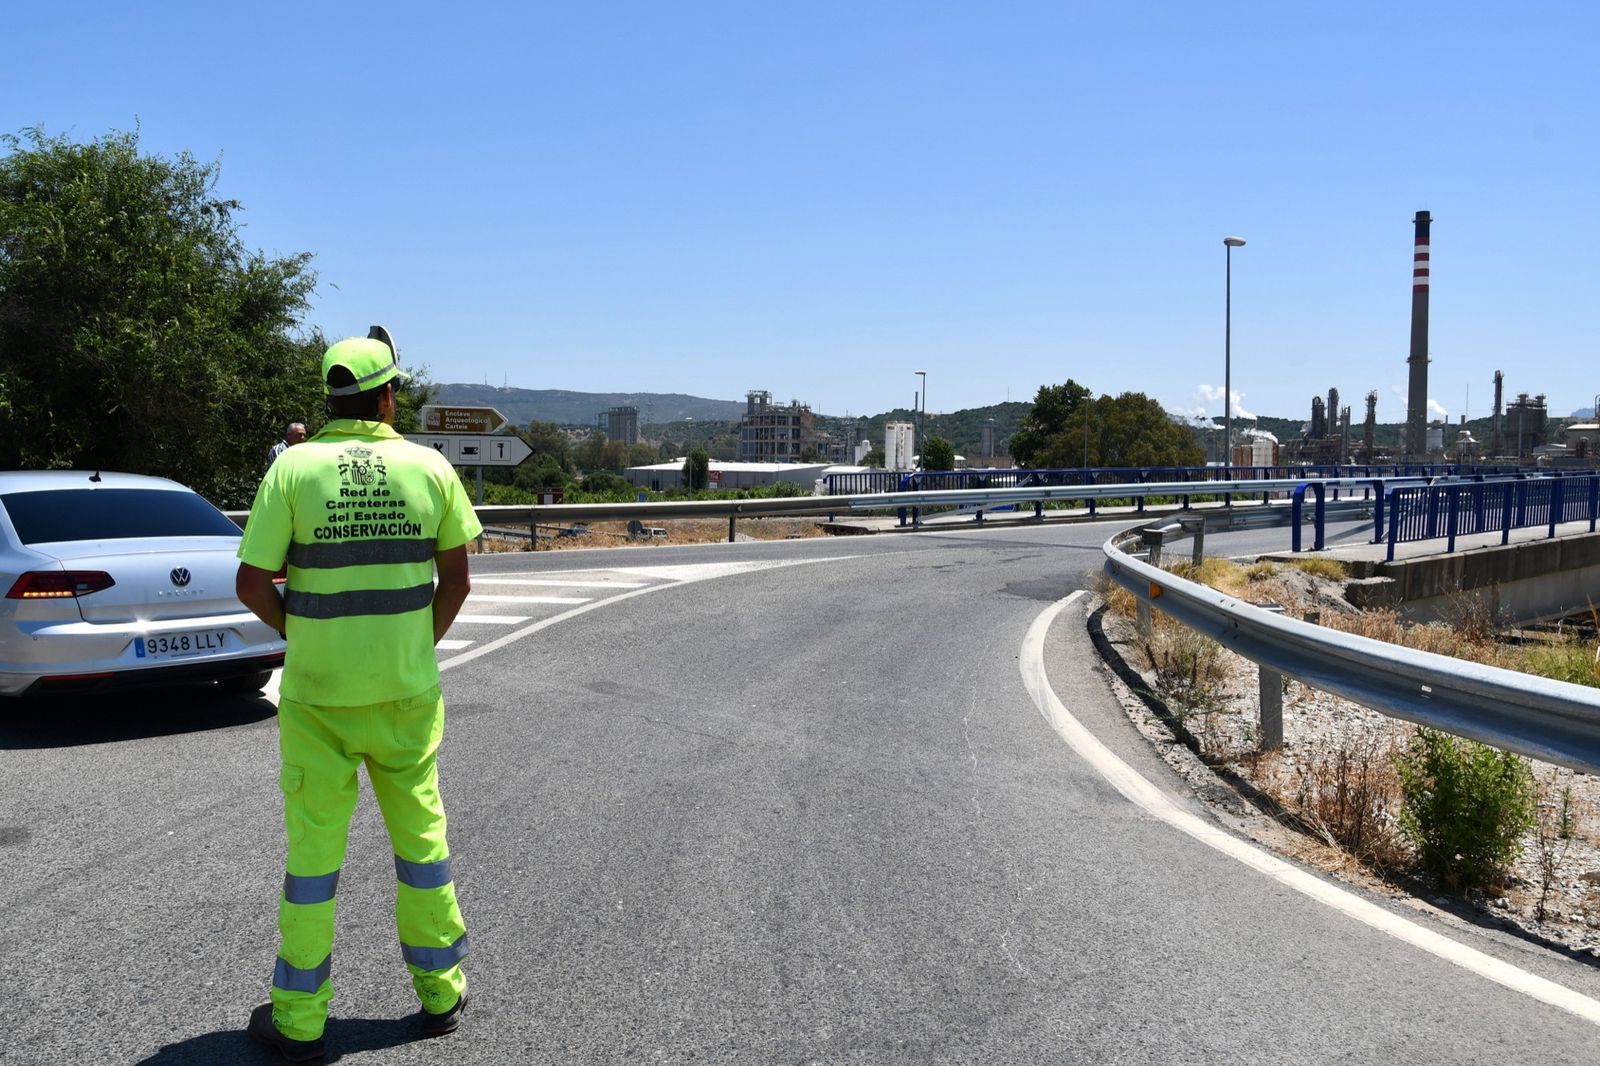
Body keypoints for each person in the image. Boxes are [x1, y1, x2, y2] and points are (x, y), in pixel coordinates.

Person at [235, 327, 481, 1061]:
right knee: (422, 847)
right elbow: (459, 581)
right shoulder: (430, 468)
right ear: (388, 394)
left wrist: (306, 633)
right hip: (406, 695)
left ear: (332, 397)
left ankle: (300, 1021)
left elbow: (251, 583)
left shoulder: (292, 469)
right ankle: (441, 994)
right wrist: (412, 647)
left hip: (318, 698)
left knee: (313, 860)